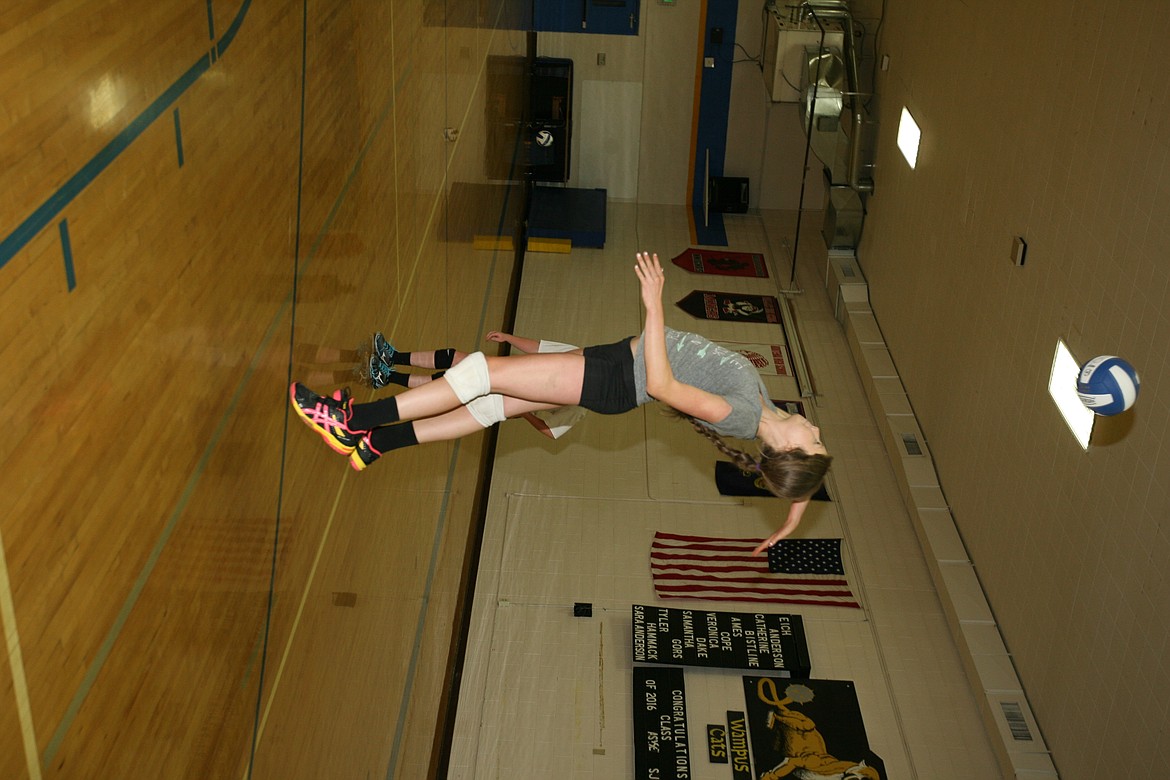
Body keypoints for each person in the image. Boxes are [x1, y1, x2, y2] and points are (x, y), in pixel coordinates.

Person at [290, 252, 831, 547]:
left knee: (482, 372)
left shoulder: (740, 414)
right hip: (615, 364)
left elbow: (665, 387)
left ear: (794, 452)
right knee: (492, 405)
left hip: (617, 378)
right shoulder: (766, 408)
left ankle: (349, 420)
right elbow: (798, 485)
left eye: (816, 442)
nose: (817, 432)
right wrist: (790, 520)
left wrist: (654, 304)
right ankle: (376, 446)